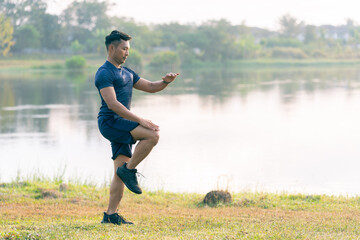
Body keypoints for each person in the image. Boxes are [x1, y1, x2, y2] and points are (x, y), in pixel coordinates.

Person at [95, 30, 179, 225]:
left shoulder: (127, 73)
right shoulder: (104, 73)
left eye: (128, 49)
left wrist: (165, 82)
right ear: (111, 48)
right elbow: (112, 104)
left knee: (119, 171)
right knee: (152, 134)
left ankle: (110, 215)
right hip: (110, 122)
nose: (127, 52)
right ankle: (130, 170)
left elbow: (150, 86)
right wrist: (140, 120)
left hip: (121, 124)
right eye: (124, 49)